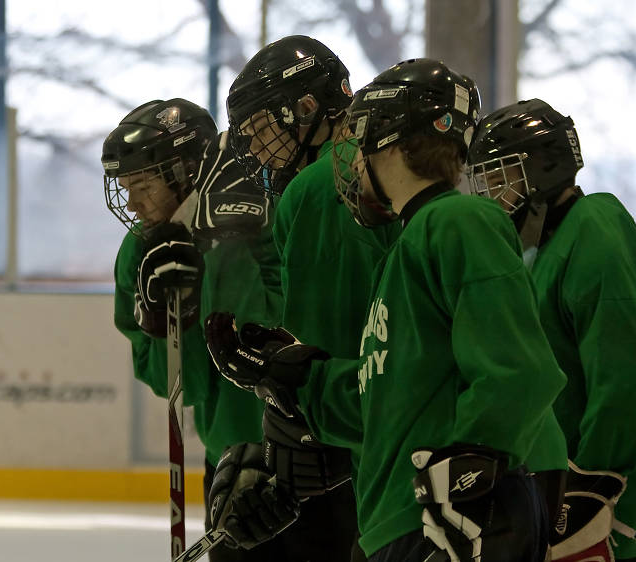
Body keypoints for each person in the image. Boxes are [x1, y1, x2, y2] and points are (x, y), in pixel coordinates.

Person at [205, 58, 569, 562]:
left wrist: (469, 468)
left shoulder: (458, 221)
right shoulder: (406, 246)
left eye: (357, 143)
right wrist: (295, 374)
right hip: (401, 513)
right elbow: (388, 396)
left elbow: (522, 372)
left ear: (390, 140)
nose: (350, 162)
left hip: (450, 511)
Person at [209, 34, 406, 562]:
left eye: (260, 130)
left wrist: (291, 451)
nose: (254, 149)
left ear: (307, 107)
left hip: (380, 460)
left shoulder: (322, 185)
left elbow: (324, 345)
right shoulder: (376, 167)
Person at [466, 98, 636, 562]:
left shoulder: (594, 226)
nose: (489, 195)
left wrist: (593, 484)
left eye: (500, 178)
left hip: (592, 501)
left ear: (539, 171)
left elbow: (633, 379)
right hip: (550, 495)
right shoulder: (541, 253)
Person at [102, 98, 289, 561]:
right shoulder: (138, 251)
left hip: (302, 455)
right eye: (126, 188)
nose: (133, 202)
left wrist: (239, 241)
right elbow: (176, 384)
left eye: (142, 185)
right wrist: (159, 324)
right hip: (225, 456)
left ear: (186, 169)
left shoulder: (259, 217)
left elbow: (288, 325)